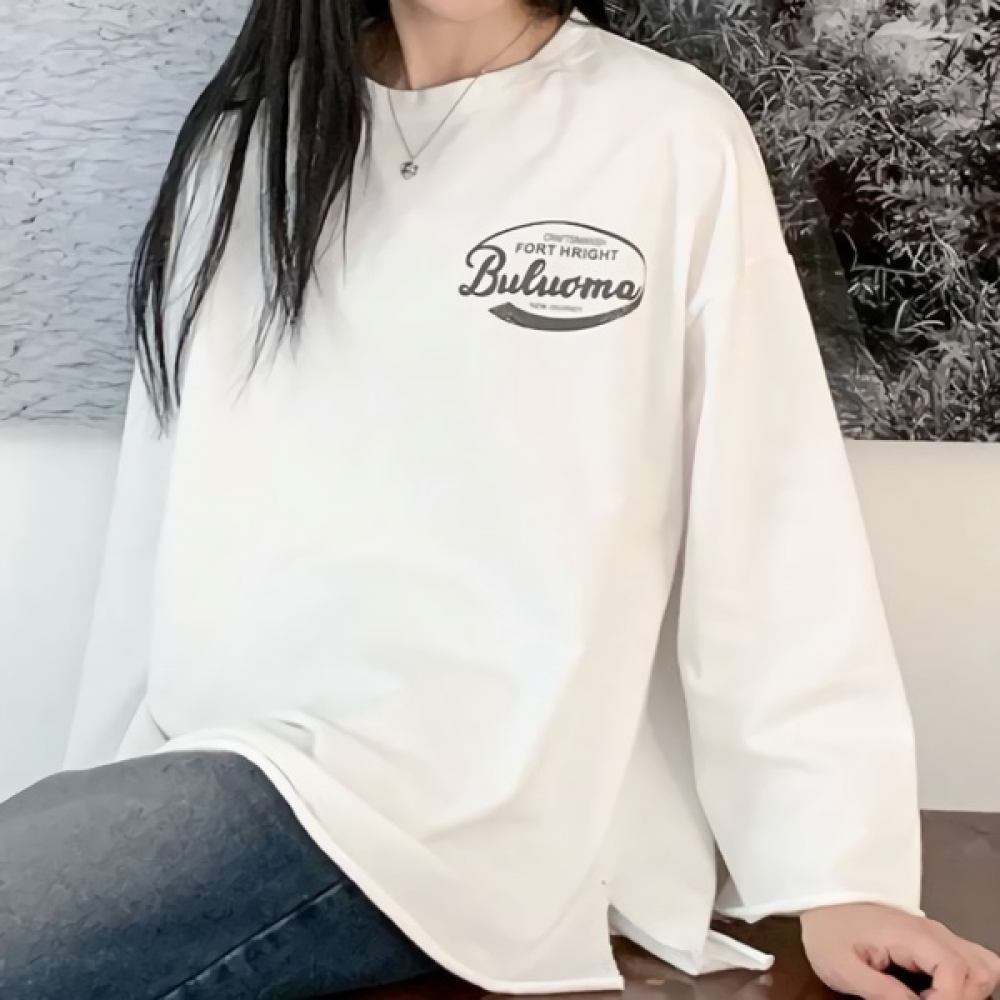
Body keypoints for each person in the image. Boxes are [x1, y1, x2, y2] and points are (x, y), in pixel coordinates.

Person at [2, 1, 997, 998]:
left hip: (471, 816)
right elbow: (161, 510)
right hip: (229, 763)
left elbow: (768, 513)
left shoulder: (664, 132)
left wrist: (840, 874)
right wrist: (103, 785)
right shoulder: (247, 146)